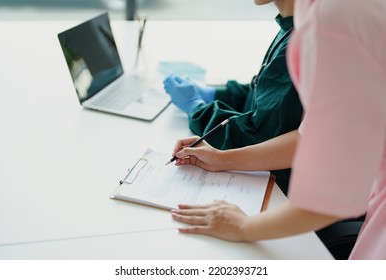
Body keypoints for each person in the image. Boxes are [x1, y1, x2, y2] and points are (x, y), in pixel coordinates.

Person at [170, 0, 386, 259]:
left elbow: (335, 195)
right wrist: (222, 159)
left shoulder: (332, 20)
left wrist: (242, 226)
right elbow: (310, 137)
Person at [163, 0, 303, 194]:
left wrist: (197, 109)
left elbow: (260, 136)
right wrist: (216, 94)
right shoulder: (292, 25)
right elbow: (264, 92)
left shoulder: (301, 41)